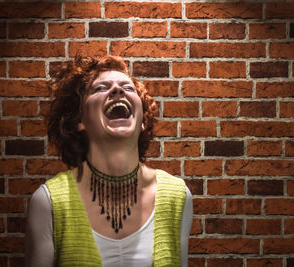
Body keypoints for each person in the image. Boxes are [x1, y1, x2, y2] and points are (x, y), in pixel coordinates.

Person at [25, 55, 193, 267]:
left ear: (143, 121)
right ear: (79, 121)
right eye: (100, 88)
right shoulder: (48, 202)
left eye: (128, 88)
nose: (117, 90)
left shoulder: (177, 196)